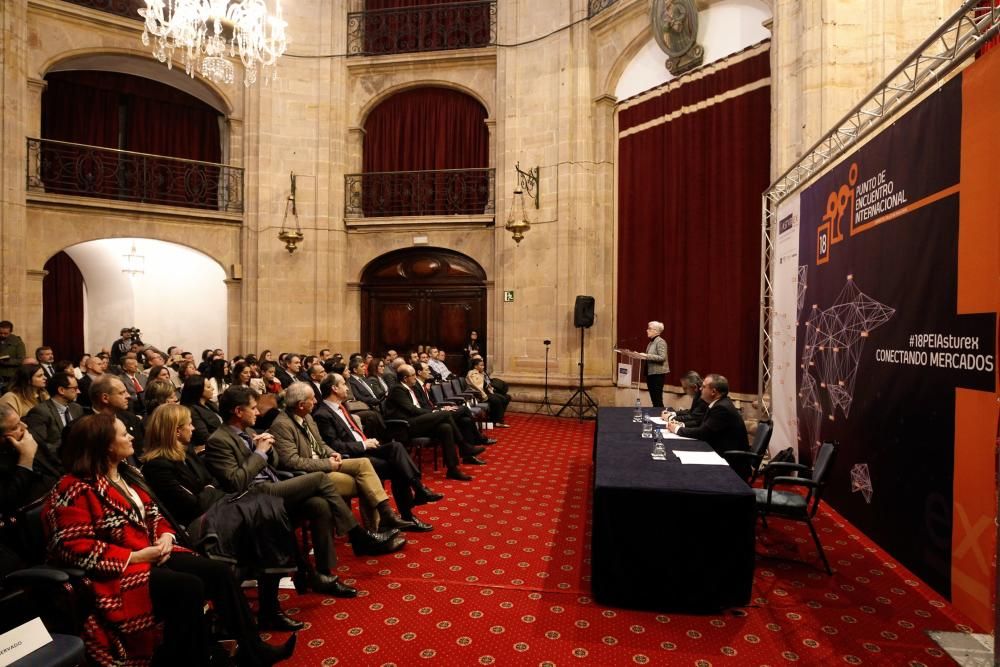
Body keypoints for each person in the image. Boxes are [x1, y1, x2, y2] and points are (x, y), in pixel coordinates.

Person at [45, 413, 296, 666]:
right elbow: (70, 546)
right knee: (187, 587)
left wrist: (166, 535)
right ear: (105, 445)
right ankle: (199, 658)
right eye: (123, 434)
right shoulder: (73, 487)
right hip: (115, 572)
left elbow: (155, 515)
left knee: (219, 572)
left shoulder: (127, 473)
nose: (132, 435)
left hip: (152, 552)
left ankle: (253, 651)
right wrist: (137, 556)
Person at [204, 386, 405, 597]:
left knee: (320, 505)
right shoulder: (219, 440)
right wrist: (260, 453)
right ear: (238, 411)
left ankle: (324, 573)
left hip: (274, 486)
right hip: (254, 497)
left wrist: (267, 450)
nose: (258, 412)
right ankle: (358, 536)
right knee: (319, 479)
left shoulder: (249, 432)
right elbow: (236, 482)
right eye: (253, 408)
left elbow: (274, 463)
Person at [141, 404, 303, 633]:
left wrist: (206, 491)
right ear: (176, 431)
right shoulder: (157, 466)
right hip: (196, 526)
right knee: (266, 514)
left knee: (269, 512)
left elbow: (212, 484)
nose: (193, 429)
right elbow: (191, 505)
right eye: (188, 424)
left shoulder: (185, 453)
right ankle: (271, 606)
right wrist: (207, 491)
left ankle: (270, 607)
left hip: (219, 511)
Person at [269, 382, 414, 532]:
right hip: (312, 474)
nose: (316, 401)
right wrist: (327, 463)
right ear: (300, 405)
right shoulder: (282, 425)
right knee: (365, 482)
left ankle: (386, 515)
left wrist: (332, 452)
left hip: (325, 462)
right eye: (312, 399)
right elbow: (292, 461)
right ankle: (375, 529)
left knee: (364, 463)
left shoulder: (307, 417)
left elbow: (320, 443)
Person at [313, 373, 440, 531]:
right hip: (354, 457)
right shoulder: (322, 415)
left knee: (396, 447)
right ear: (334, 388)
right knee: (398, 468)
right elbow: (335, 446)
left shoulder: (341, 407)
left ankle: (418, 488)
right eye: (344, 384)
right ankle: (409, 511)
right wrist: (364, 445)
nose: (347, 387)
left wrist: (366, 442)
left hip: (365, 448)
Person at [385, 364, 476, 481]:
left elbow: (419, 408)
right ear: (405, 378)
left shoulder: (409, 387)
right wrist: (434, 413)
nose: (414, 377)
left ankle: (453, 469)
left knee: (445, 427)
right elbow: (412, 410)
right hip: (406, 425)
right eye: (412, 375)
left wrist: (434, 411)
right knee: (445, 414)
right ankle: (463, 446)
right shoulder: (398, 389)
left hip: (416, 421)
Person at [666, 374, 750, 478]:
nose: (700, 388)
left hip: (730, 462)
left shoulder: (721, 408)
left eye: (704, 386)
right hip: (720, 452)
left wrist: (677, 429)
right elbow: (702, 426)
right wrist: (681, 425)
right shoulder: (718, 404)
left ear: (713, 392)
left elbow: (703, 433)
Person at [24, 371, 85, 456]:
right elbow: (41, 445)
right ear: (61, 390)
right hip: (56, 461)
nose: (78, 391)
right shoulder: (40, 412)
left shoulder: (77, 408)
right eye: (75, 388)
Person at [180, 374, 223, 452]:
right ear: (198, 390)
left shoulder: (209, 403)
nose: (213, 389)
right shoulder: (191, 411)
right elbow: (204, 437)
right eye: (208, 387)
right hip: (214, 448)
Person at [466, 357, 509, 426]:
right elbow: (476, 387)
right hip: (479, 395)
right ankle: (496, 421)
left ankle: (496, 417)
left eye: (483, 365)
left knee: (506, 397)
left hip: (487, 392)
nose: (483, 367)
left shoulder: (482, 373)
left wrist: (490, 388)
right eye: (481, 365)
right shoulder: (472, 374)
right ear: (475, 366)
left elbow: (487, 383)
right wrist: (484, 395)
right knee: (497, 400)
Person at [638, 321, 669, 408]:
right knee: (654, 400)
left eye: (649, 329)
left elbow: (662, 357)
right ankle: (656, 416)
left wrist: (646, 355)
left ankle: (661, 418)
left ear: (655, 331)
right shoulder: (651, 342)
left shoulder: (660, 342)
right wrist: (639, 355)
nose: (647, 330)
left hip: (657, 375)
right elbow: (651, 356)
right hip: (650, 374)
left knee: (657, 400)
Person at [0, 321, 26, 388]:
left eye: (5, 333)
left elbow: (21, 360)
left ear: (11, 332)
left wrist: (5, 362)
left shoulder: (18, 342)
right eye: (0, 333)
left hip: (10, 375)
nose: (2, 335)